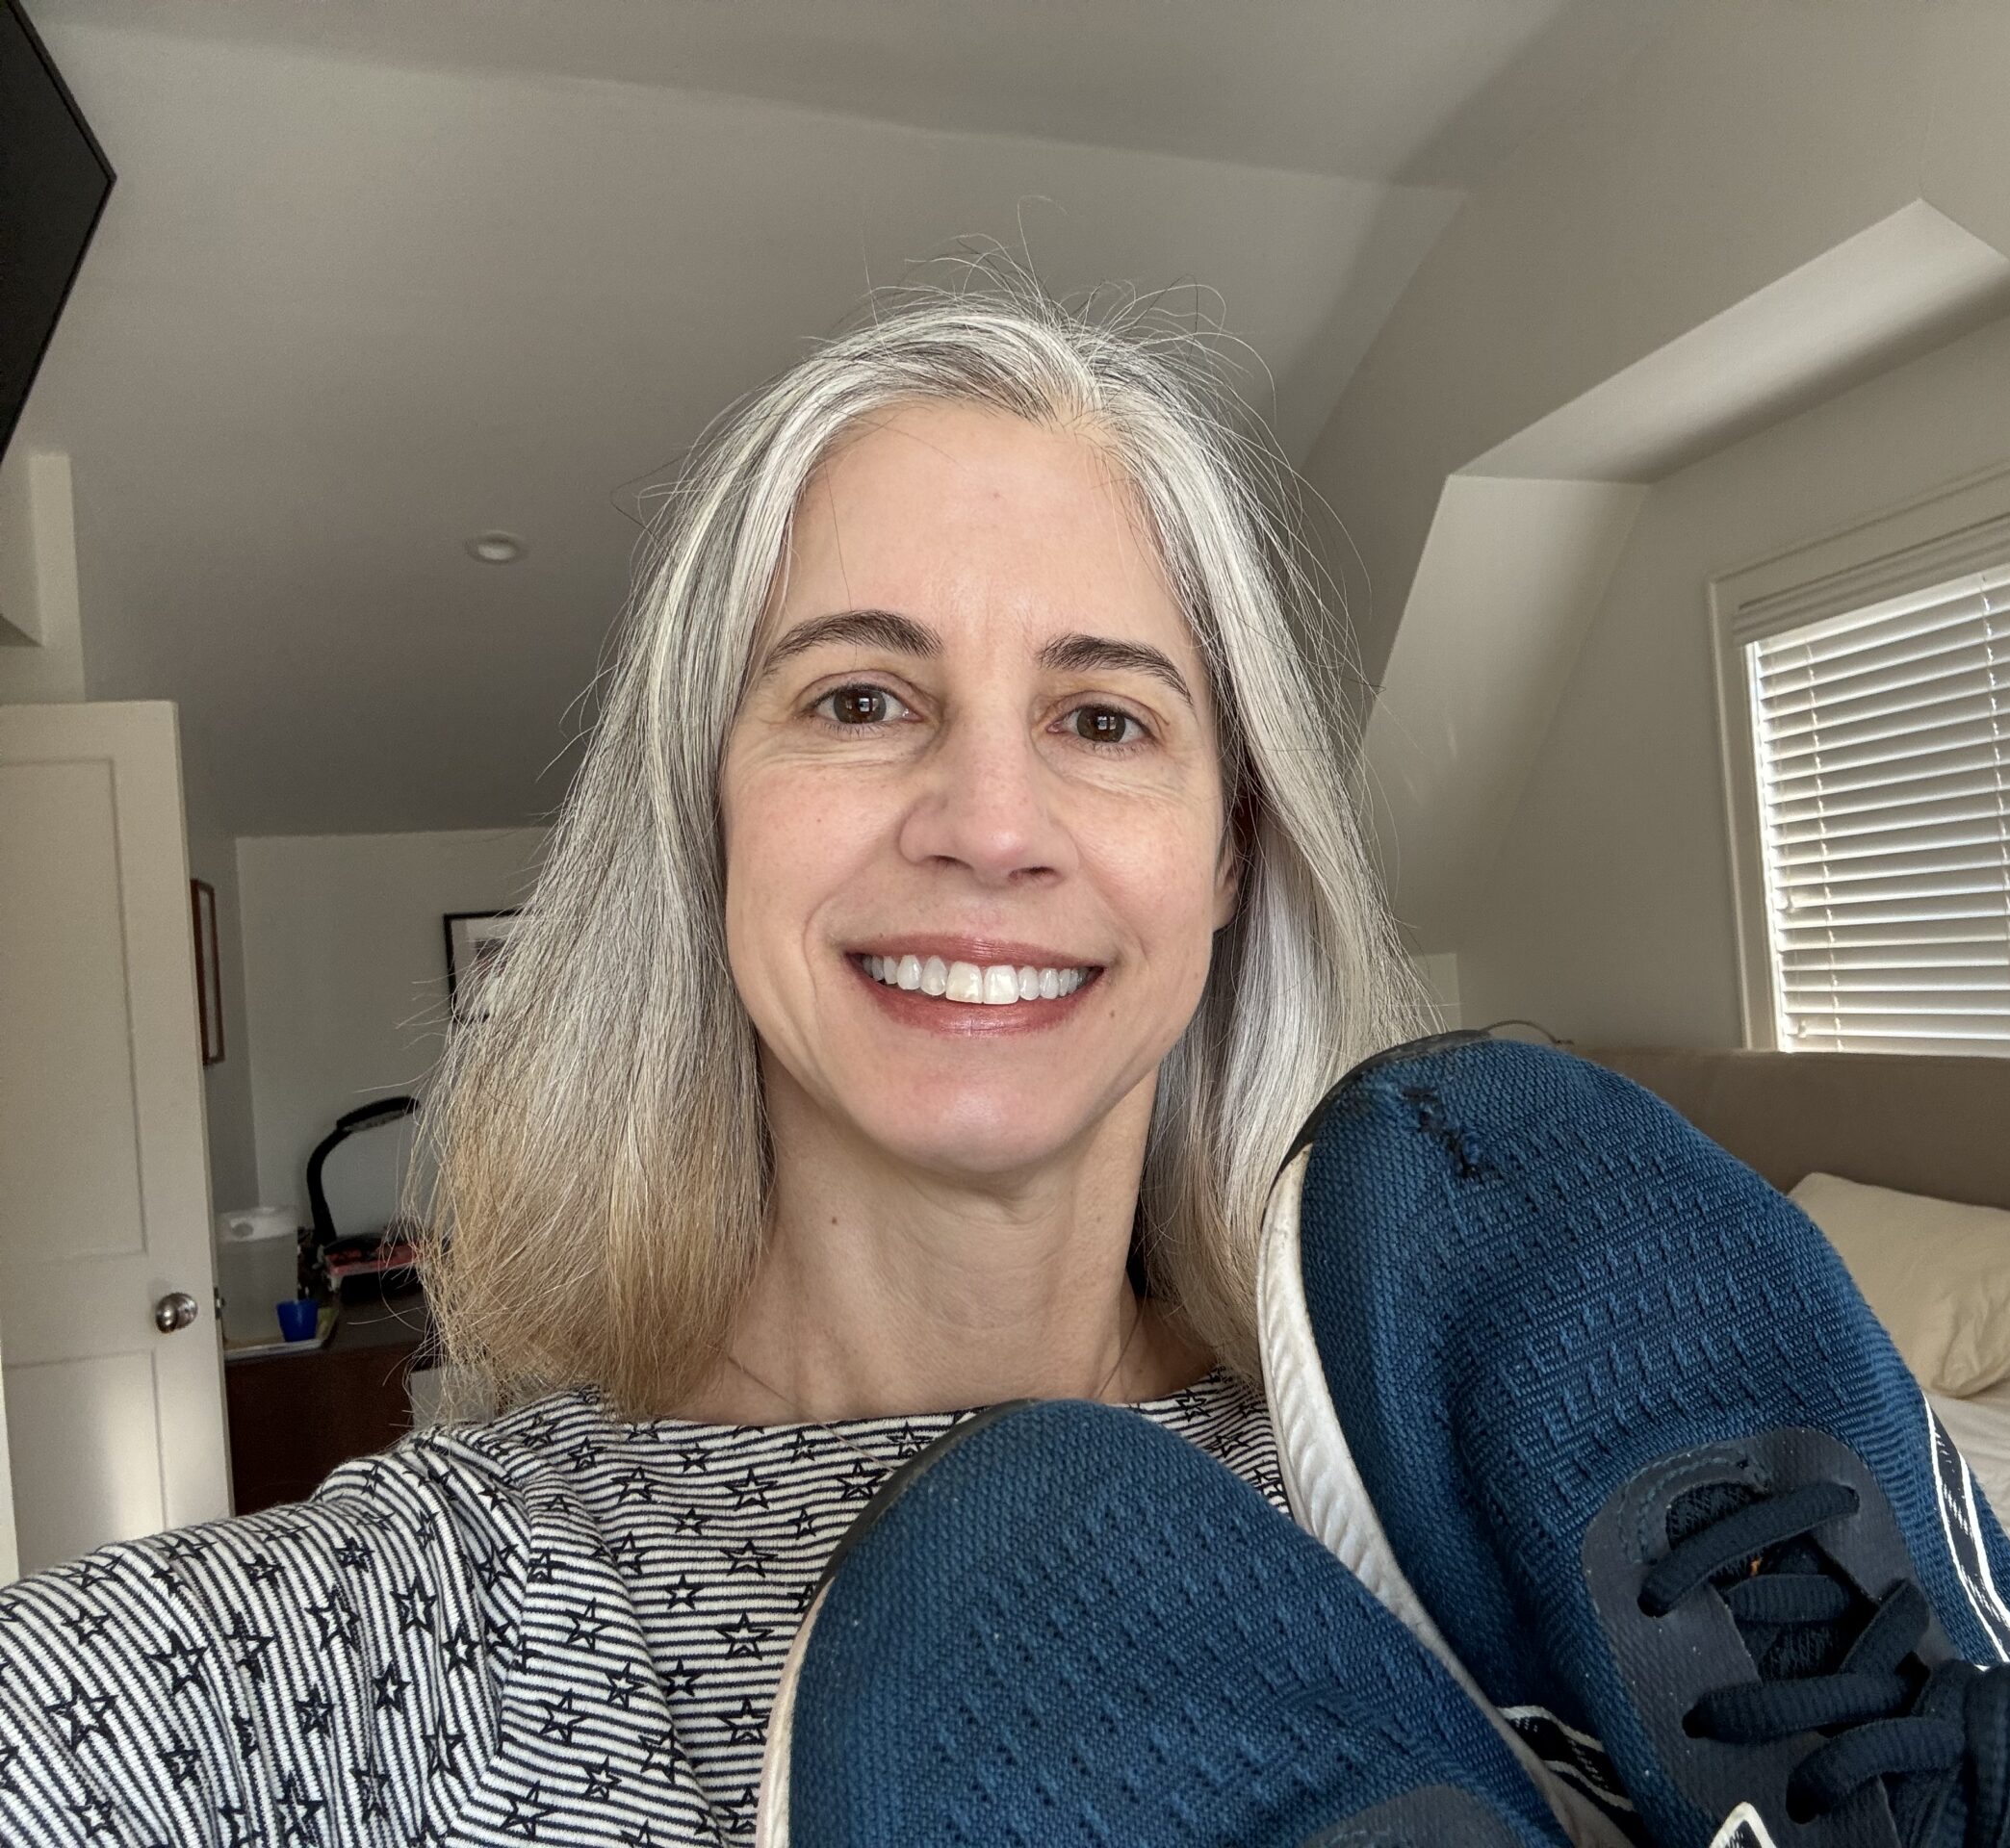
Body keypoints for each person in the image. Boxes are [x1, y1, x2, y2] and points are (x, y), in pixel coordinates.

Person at [0, 269, 1429, 1847]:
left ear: (1228, 854)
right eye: (864, 697)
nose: (992, 827)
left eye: (1103, 721)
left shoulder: (1429, 1497)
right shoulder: (441, 1615)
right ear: (708, 818)